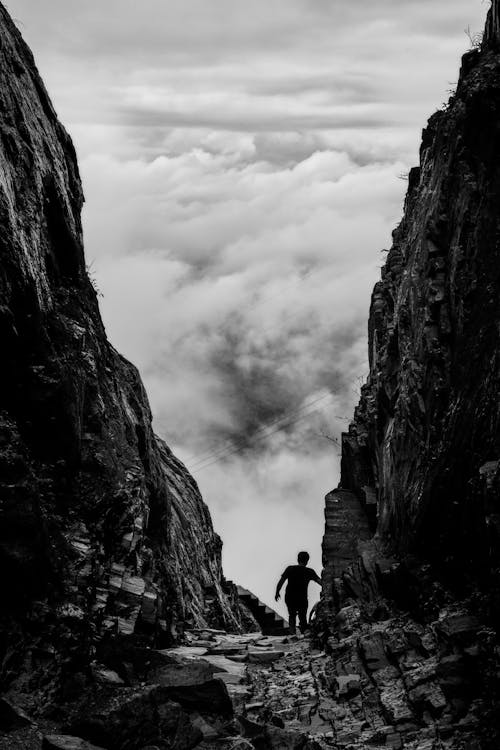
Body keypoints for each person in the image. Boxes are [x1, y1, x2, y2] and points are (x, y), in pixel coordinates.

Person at [275, 551, 321, 635]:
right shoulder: (310, 571)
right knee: (302, 617)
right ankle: (304, 634)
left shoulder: (290, 569)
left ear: (298, 559)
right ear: (307, 560)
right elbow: (321, 582)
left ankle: (292, 633)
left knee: (292, 615)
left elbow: (281, 582)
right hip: (302, 599)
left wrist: (277, 592)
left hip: (290, 597)